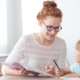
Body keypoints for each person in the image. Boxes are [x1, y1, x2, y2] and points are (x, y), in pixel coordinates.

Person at [2, 1, 67, 75]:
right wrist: (18, 72)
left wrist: (55, 72)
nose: (53, 32)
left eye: (57, 28)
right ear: (40, 23)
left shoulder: (61, 44)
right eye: (49, 27)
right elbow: (5, 69)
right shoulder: (25, 41)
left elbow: (61, 71)